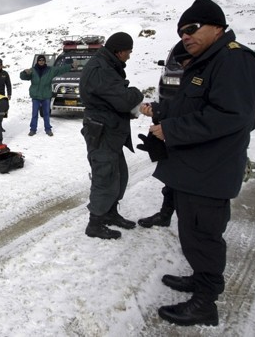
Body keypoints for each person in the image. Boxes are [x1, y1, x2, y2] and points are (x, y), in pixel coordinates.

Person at [143, 0, 255, 327]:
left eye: (192, 29)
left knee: (204, 235)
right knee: (192, 233)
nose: (185, 36)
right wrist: (163, 115)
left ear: (217, 27)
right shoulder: (206, 62)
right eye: (181, 32)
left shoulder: (235, 61)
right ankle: (200, 278)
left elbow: (235, 116)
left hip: (209, 171)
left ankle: (205, 302)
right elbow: (192, 107)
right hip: (192, 169)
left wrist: (172, 129)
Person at [79, 32, 144, 240]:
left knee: (118, 174)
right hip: (102, 131)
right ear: (119, 51)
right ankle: (95, 223)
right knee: (105, 175)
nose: (129, 56)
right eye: (128, 52)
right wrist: (137, 93)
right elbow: (123, 99)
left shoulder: (107, 65)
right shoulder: (101, 69)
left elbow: (113, 99)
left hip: (110, 130)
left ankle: (110, 212)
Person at [137, 41, 192, 228]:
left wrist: (171, 129)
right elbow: (179, 106)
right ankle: (165, 214)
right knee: (173, 176)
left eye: (186, 62)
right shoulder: (187, 78)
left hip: (204, 147)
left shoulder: (217, 74)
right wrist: (158, 113)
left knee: (194, 191)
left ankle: (192, 227)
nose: (182, 68)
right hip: (181, 135)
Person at [20, 55, 70, 136]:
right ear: (37, 61)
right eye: (40, 60)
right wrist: (24, 72)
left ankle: (48, 129)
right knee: (34, 114)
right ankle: (33, 129)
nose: (41, 61)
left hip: (46, 95)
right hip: (36, 96)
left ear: (45, 61)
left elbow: (61, 69)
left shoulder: (50, 70)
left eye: (43, 60)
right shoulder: (32, 70)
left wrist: (70, 66)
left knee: (46, 114)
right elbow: (23, 77)